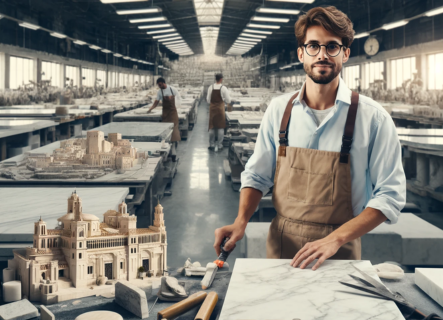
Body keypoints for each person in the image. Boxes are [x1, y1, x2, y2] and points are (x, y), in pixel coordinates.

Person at [213, 6, 405, 271]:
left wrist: (335, 239)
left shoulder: (373, 119)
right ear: (301, 53)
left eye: (332, 47)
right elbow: (257, 176)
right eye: (313, 46)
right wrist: (241, 221)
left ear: (345, 53)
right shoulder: (279, 111)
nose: (322, 55)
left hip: (339, 251)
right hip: (282, 246)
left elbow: (390, 196)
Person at [148, 78, 181, 143]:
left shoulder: (172, 89)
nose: (159, 86)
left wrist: (178, 108)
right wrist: (150, 109)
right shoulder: (160, 92)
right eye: (158, 85)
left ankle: (174, 143)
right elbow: (156, 102)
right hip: (165, 112)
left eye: (160, 85)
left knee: (174, 128)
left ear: (164, 83)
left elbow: (179, 99)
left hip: (173, 112)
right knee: (165, 129)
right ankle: (166, 143)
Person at [206, 73, 231, 151]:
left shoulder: (211, 87)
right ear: (221, 79)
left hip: (212, 109)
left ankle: (212, 145)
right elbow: (228, 100)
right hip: (220, 109)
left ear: (215, 79)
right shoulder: (223, 88)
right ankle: (220, 145)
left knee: (212, 127)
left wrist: (213, 103)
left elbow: (208, 100)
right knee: (220, 127)